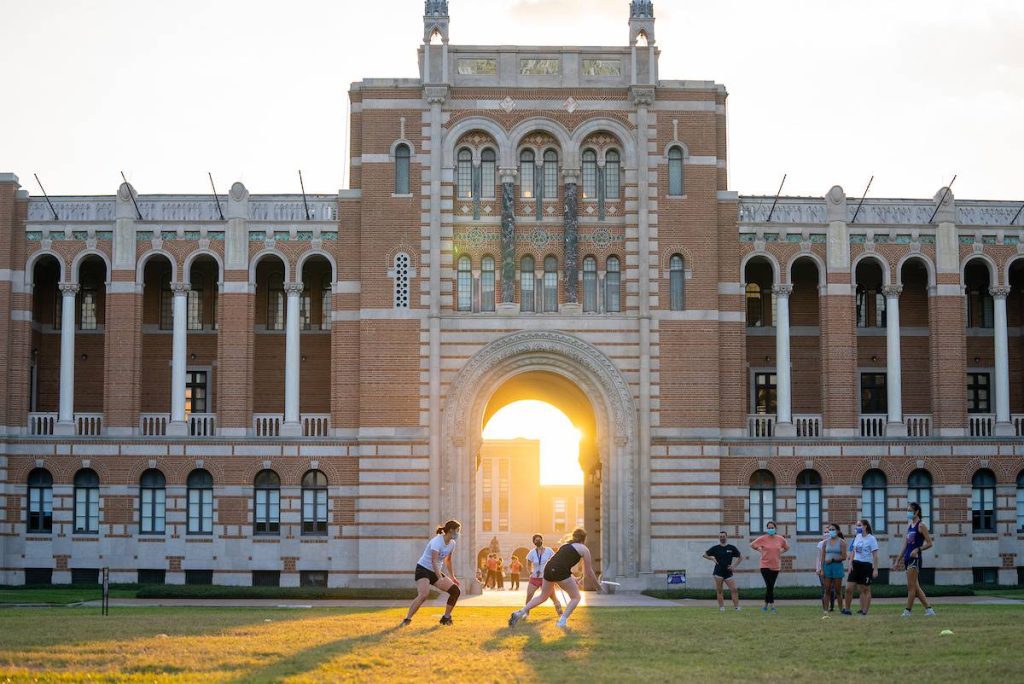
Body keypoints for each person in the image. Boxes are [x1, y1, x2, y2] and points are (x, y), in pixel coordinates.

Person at [508, 528, 603, 630]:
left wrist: (572, 577)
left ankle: (519, 613)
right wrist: (598, 587)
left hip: (548, 569)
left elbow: (558, 563)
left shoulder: (565, 546)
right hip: (560, 571)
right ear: (584, 539)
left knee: (543, 596)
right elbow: (588, 571)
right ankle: (561, 621)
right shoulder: (584, 549)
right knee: (576, 597)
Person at [402, 520, 462, 627]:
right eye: (457, 531)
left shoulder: (452, 543)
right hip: (423, 569)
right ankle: (407, 619)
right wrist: (439, 577)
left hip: (435, 571)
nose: (458, 533)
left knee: (455, 591)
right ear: (451, 530)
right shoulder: (437, 541)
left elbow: (448, 560)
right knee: (423, 595)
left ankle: (446, 618)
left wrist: (452, 577)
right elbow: (434, 560)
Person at [895, 502, 937, 617]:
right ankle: (929, 609)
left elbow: (929, 543)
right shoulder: (909, 526)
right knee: (916, 586)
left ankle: (907, 611)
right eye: (907, 510)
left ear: (916, 512)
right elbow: (905, 544)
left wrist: (918, 549)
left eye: (910, 510)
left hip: (915, 559)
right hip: (907, 558)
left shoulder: (921, 525)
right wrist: (898, 559)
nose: (908, 512)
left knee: (911, 586)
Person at [842, 519, 879, 616]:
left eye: (859, 525)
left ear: (865, 526)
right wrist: (850, 564)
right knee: (848, 588)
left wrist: (875, 569)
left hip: (866, 566)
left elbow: (875, 555)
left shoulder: (871, 539)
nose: (857, 527)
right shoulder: (857, 537)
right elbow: (853, 551)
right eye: (857, 525)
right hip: (855, 565)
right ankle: (847, 609)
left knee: (865, 589)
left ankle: (865, 611)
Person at [751, 520, 789, 612]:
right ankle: (772, 606)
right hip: (765, 565)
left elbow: (787, 547)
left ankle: (765, 606)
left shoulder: (780, 539)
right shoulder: (763, 538)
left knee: (770, 586)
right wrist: (760, 550)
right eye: (769, 528)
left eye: (772, 528)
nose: (770, 529)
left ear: (775, 529)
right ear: (767, 529)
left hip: (776, 565)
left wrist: (780, 553)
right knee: (769, 585)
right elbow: (752, 545)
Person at [524, 534, 563, 617]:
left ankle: (560, 613)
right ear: (534, 542)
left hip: (546, 578)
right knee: (529, 595)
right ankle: (526, 613)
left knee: (553, 596)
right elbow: (528, 563)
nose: (538, 541)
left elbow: (555, 561)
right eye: (536, 540)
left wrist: (554, 572)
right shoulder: (532, 552)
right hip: (534, 578)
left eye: (539, 539)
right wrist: (530, 572)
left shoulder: (548, 550)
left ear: (542, 540)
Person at [703, 531, 743, 611]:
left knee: (734, 589)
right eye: (720, 536)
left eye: (723, 536)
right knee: (720, 590)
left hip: (728, 573)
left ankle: (736, 607)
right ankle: (722, 607)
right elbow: (704, 554)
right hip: (718, 572)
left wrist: (734, 566)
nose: (722, 538)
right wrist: (712, 558)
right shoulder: (715, 548)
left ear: (726, 537)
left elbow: (740, 557)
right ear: (719, 538)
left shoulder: (731, 548)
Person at [817, 524, 847, 615]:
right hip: (827, 567)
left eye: (833, 529)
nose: (831, 531)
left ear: (837, 531)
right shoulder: (825, 542)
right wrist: (821, 569)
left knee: (838, 590)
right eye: (830, 530)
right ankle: (825, 610)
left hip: (837, 567)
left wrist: (833, 559)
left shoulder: (842, 542)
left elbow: (844, 556)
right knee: (827, 589)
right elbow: (822, 557)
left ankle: (842, 609)